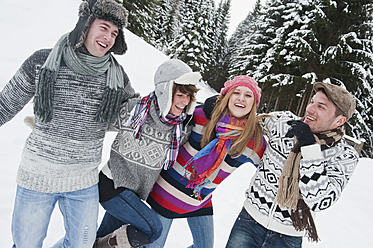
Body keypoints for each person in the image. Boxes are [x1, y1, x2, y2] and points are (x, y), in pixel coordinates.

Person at [0, 0, 136, 247]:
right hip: (37, 177)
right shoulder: (42, 61)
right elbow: (4, 105)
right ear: (85, 25)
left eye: (114, 33)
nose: (108, 38)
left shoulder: (116, 77)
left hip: (82, 183)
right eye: (104, 27)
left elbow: (130, 116)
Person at [225, 82, 359, 248]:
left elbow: (320, 200)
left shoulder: (344, 156)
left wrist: (309, 148)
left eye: (321, 107)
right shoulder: (284, 122)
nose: (310, 109)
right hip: (248, 222)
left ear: (340, 120)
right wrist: (216, 108)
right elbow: (246, 121)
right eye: (312, 102)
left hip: (287, 238)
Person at [144, 76, 268, 248]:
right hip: (165, 196)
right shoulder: (202, 115)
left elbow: (273, 166)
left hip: (199, 199)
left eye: (248, 95)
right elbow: (169, 114)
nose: (241, 98)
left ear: (254, 104)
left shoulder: (254, 142)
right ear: (226, 96)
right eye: (236, 92)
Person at [93, 59, 201, 248]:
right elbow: (97, 120)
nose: (184, 102)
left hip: (133, 195)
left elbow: (201, 138)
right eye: (179, 94)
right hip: (112, 184)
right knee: (153, 229)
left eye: (188, 97)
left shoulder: (179, 129)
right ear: (165, 91)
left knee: (101, 238)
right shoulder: (136, 111)